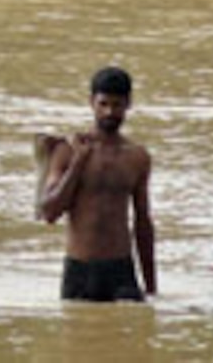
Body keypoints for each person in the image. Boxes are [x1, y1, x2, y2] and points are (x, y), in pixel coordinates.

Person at [37, 66, 157, 303]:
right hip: (79, 271)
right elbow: (49, 212)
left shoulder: (137, 156)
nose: (110, 112)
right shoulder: (67, 150)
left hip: (121, 271)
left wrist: (151, 286)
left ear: (128, 105)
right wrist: (79, 162)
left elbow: (143, 222)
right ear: (91, 102)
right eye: (103, 104)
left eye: (117, 105)